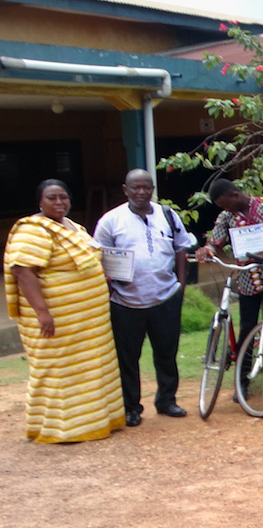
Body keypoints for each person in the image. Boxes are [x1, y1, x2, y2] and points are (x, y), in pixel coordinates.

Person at [4, 179, 126, 443]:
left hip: (89, 323)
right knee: (60, 371)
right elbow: (23, 271)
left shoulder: (73, 226)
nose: (59, 202)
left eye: (64, 197)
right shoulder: (32, 230)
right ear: (40, 201)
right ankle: (63, 429)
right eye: (52, 198)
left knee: (92, 369)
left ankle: (97, 421)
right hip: (58, 321)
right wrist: (42, 312)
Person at [93, 169, 197, 427]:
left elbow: (181, 249)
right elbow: (98, 258)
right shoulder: (111, 221)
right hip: (125, 302)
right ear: (125, 190)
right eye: (135, 188)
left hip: (165, 298)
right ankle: (131, 407)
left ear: (152, 189)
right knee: (128, 357)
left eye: (146, 187)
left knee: (166, 353)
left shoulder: (168, 215)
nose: (141, 192)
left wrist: (180, 286)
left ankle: (166, 400)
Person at [195, 179, 263, 402]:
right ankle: (242, 382)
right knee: (247, 329)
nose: (224, 210)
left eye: (226, 204)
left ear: (235, 194)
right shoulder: (227, 217)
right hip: (248, 281)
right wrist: (207, 248)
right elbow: (215, 239)